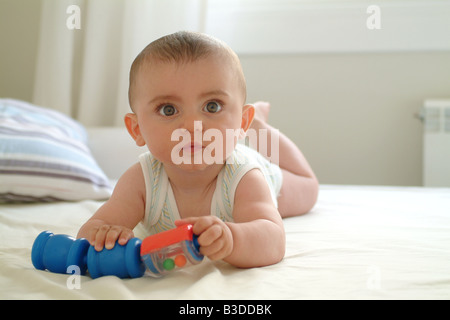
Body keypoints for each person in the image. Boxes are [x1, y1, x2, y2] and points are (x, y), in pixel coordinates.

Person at [77, 31, 318, 268]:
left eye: (212, 106)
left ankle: (258, 126)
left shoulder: (246, 178)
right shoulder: (140, 181)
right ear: (137, 129)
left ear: (240, 121)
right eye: (168, 110)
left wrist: (232, 239)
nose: (193, 126)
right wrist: (103, 235)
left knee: (308, 189)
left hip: (261, 170)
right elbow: (91, 230)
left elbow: (273, 240)